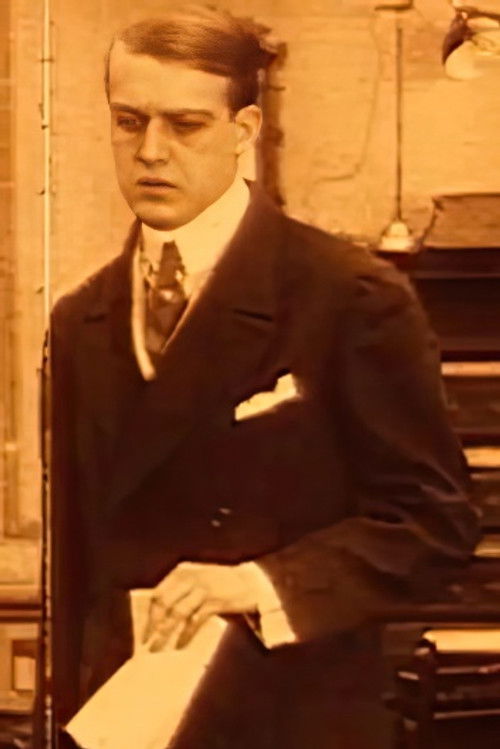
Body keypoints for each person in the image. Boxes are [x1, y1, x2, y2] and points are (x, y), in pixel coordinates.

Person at [48, 6, 479, 748]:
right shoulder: (79, 320)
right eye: (129, 122)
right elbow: (75, 574)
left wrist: (255, 583)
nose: (151, 152)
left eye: (185, 125)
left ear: (242, 131)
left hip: (290, 717)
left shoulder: (349, 296)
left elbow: (434, 526)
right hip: (126, 723)